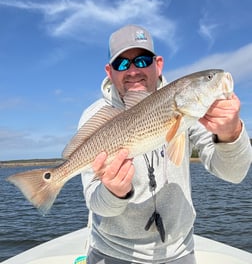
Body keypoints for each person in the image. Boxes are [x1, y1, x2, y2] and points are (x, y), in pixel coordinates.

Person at [79, 24, 252, 264]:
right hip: (112, 253)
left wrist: (230, 134)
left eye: (141, 61)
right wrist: (114, 193)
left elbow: (234, 174)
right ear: (109, 71)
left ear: (158, 63)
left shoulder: (191, 108)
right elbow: (96, 204)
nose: (132, 71)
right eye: (121, 64)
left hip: (178, 252)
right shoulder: (95, 118)